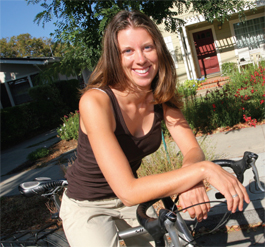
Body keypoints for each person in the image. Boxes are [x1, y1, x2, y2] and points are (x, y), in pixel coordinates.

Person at [59, 10, 250, 247]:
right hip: (88, 206)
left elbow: (192, 150)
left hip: (131, 203)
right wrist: (203, 172)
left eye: (147, 47)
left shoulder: (160, 97)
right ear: (114, 57)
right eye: (127, 51)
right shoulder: (96, 102)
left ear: (159, 50)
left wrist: (192, 176)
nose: (140, 59)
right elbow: (128, 189)